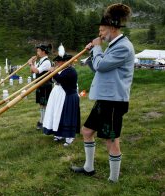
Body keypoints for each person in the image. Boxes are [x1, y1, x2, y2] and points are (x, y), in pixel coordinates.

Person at [71, 3, 134, 183]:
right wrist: (93, 52)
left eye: (101, 30)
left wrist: (97, 48)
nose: (99, 34)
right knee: (87, 131)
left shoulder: (123, 47)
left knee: (111, 140)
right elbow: (98, 68)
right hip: (105, 99)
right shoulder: (113, 46)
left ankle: (113, 180)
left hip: (114, 101)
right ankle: (88, 168)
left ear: (112, 28)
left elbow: (102, 65)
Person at [43, 45, 80, 146]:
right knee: (59, 115)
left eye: (59, 62)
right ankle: (59, 134)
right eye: (57, 62)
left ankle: (69, 137)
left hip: (69, 96)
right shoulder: (63, 70)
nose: (57, 64)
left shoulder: (70, 71)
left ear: (65, 62)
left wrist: (53, 72)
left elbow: (60, 79)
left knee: (67, 116)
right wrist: (53, 73)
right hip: (61, 96)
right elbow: (54, 79)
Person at [27, 44, 53, 130]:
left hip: (45, 86)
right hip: (40, 85)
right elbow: (32, 71)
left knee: (44, 104)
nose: (37, 52)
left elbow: (37, 71)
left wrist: (31, 64)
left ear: (43, 51)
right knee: (41, 104)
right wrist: (33, 63)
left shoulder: (46, 62)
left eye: (38, 50)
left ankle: (44, 122)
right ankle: (42, 121)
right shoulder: (41, 61)